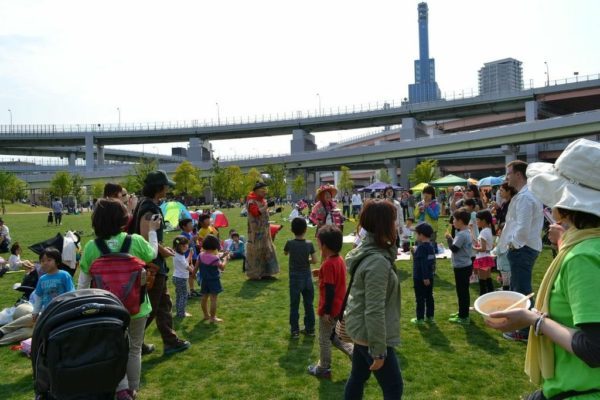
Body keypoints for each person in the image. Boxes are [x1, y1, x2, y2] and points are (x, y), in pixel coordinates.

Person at [487, 138, 600, 399]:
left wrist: (533, 320)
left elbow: (594, 348)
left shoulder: (583, 256)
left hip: (582, 390)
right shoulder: (587, 247)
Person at [78, 198, 160, 400]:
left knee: (111, 349)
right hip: (137, 307)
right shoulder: (135, 241)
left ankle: (120, 387)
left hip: (105, 310)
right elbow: (153, 254)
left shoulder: (91, 247)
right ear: (123, 219)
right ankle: (132, 390)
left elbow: (82, 283)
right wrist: (151, 230)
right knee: (134, 349)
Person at [343, 199, 402, 399]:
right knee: (394, 388)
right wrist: (378, 351)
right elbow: (374, 309)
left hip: (362, 330)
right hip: (370, 335)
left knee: (358, 377)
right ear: (384, 225)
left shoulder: (373, 251)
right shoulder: (377, 262)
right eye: (393, 221)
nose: (396, 225)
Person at [130, 170, 190, 356]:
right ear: (159, 188)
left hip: (156, 264)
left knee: (164, 305)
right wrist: (163, 251)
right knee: (150, 310)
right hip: (152, 266)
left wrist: (163, 249)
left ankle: (170, 341)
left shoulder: (146, 204)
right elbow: (145, 238)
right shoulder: (149, 209)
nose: (168, 188)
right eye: (165, 185)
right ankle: (129, 343)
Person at [497, 160, 544, 342]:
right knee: (520, 289)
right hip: (524, 249)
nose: (506, 177)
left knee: (521, 291)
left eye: (508, 173)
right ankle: (524, 329)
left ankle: (524, 331)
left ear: (518, 174)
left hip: (522, 250)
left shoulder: (525, 197)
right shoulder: (525, 194)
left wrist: (512, 245)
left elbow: (522, 229)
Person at [307, 225, 353, 379]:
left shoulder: (327, 264)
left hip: (330, 309)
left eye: (318, 242)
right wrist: (320, 272)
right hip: (339, 306)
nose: (317, 244)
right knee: (334, 336)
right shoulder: (338, 259)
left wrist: (326, 311)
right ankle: (355, 354)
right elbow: (336, 279)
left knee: (324, 339)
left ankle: (323, 368)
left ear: (324, 245)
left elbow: (330, 289)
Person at [284, 217, 317, 339]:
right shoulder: (309, 244)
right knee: (309, 304)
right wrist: (306, 259)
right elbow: (314, 260)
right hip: (308, 278)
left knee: (294, 305)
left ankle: (295, 331)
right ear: (305, 229)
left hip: (295, 278)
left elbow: (285, 253)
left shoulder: (290, 243)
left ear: (292, 230)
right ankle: (310, 329)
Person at [245, 182, 279, 280]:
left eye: (265, 190)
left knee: (266, 248)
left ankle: (267, 272)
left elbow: (264, 213)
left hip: (265, 230)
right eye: (262, 190)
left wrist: (275, 211)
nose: (265, 192)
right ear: (256, 191)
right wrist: (267, 206)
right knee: (257, 250)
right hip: (255, 232)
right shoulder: (251, 202)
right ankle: (255, 273)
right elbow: (256, 213)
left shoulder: (263, 201)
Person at [445, 209, 473, 325]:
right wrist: (452, 238)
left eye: (455, 220)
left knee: (462, 292)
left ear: (461, 221)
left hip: (461, 267)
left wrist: (448, 239)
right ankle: (462, 312)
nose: (453, 222)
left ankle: (463, 316)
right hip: (465, 265)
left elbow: (454, 249)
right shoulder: (466, 232)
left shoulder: (461, 234)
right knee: (463, 291)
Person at [32, 247, 75, 322]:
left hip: (63, 311)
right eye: (42, 261)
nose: (45, 263)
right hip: (48, 312)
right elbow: (39, 297)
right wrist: (35, 312)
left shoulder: (64, 275)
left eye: (49, 260)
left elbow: (71, 293)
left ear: (57, 262)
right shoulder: (42, 279)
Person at [197, 235, 229, 323]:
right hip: (214, 281)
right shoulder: (214, 258)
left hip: (204, 280)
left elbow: (196, 267)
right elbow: (222, 267)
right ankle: (213, 318)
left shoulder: (200, 255)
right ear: (215, 246)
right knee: (213, 299)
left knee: (204, 298)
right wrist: (225, 259)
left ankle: (206, 315)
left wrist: (193, 276)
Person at [410, 222, 436, 325]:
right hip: (430, 276)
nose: (416, 236)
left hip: (420, 277)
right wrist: (414, 253)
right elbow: (430, 261)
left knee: (420, 298)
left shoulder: (421, 248)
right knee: (429, 296)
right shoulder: (430, 246)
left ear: (421, 235)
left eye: (417, 234)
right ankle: (430, 316)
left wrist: (425, 277)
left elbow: (423, 264)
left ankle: (420, 318)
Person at [473, 210, 496, 295]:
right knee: (488, 279)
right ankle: (491, 296)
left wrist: (473, 248)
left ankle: (482, 298)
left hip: (482, 258)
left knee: (482, 281)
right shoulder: (488, 230)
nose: (477, 222)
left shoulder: (483, 232)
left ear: (484, 221)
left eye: (478, 220)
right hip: (487, 257)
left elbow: (482, 248)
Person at [414, 185, 441, 252]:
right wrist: (419, 212)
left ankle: (430, 260)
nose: (426, 195)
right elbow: (416, 216)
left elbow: (435, 217)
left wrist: (428, 207)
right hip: (421, 228)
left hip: (432, 229)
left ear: (432, 194)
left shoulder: (435, 204)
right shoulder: (420, 204)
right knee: (420, 246)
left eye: (428, 193)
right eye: (424, 193)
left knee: (430, 247)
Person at [172, 235, 193, 318]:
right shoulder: (179, 256)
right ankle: (181, 313)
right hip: (181, 279)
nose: (186, 247)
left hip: (177, 277)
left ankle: (179, 312)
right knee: (184, 296)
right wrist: (195, 272)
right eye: (183, 245)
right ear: (178, 246)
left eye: (186, 245)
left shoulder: (178, 254)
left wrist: (190, 254)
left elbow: (186, 262)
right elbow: (187, 266)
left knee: (179, 295)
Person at [179, 218, 200, 298]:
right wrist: (192, 240)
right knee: (189, 274)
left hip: (193, 256)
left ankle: (192, 290)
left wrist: (195, 242)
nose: (192, 226)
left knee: (191, 274)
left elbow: (192, 244)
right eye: (190, 224)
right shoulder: (182, 235)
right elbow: (183, 247)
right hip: (187, 258)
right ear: (184, 227)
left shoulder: (190, 234)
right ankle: (189, 291)